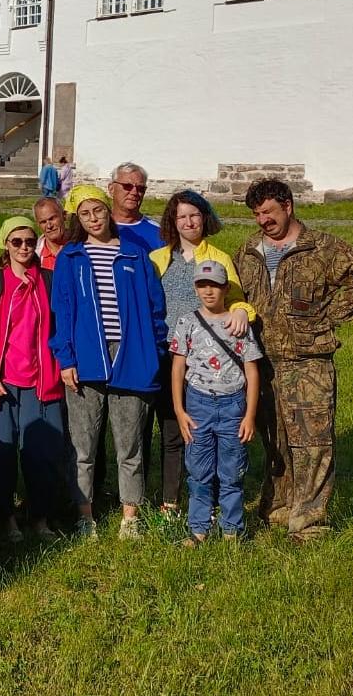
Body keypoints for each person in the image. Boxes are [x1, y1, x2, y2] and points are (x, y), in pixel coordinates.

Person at [235, 178, 353, 542]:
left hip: (308, 361)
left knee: (312, 443)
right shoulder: (247, 253)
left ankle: (309, 522)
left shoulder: (321, 247)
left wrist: (328, 314)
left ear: (288, 205)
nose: (263, 221)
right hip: (262, 362)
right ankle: (279, 508)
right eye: (257, 214)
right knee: (276, 440)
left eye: (268, 212)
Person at [50, 184, 166, 540]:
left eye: (97, 211)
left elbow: (155, 308)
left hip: (130, 354)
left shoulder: (133, 255)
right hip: (86, 358)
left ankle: (130, 515)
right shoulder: (71, 258)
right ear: (78, 220)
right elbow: (63, 311)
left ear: (107, 211)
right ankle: (86, 515)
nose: (93, 219)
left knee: (129, 443)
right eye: (84, 214)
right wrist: (66, 358)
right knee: (84, 445)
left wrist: (154, 351)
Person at [146, 191, 256, 516]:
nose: (189, 221)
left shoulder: (218, 258)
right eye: (182, 216)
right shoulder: (157, 259)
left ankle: (212, 499)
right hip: (167, 354)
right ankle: (170, 500)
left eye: (194, 215)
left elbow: (236, 298)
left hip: (205, 361)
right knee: (170, 429)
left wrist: (242, 312)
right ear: (173, 221)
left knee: (203, 433)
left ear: (204, 218)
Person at [0, 217, 67, 542]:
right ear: (5, 245)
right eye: (17, 242)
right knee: (1, 455)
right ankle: (7, 518)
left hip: (41, 380)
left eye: (30, 241)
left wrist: (62, 366)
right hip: (1, 382)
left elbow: (62, 328)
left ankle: (40, 518)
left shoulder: (51, 281)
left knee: (41, 454)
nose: (25, 248)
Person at [170, 261, 264, 546]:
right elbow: (177, 368)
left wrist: (249, 415)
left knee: (232, 471)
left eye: (213, 285)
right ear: (195, 288)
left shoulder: (237, 324)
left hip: (233, 404)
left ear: (225, 288)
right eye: (202, 285)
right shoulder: (187, 322)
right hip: (198, 404)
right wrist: (179, 409)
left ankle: (231, 529)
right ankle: (198, 527)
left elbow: (251, 371)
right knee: (198, 471)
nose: (208, 291)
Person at [107, 162, 163, 254]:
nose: (134, 192)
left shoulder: (158, 233)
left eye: (140, 188)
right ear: (111, 189)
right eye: (127, 186)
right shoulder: (95, 227)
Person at [33, 197, 68, 271]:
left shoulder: (82, 245)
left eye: (52, 218)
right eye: (43, 222)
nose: (49, 226)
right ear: (38, 225)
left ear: (64, 215)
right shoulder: (34, 255)